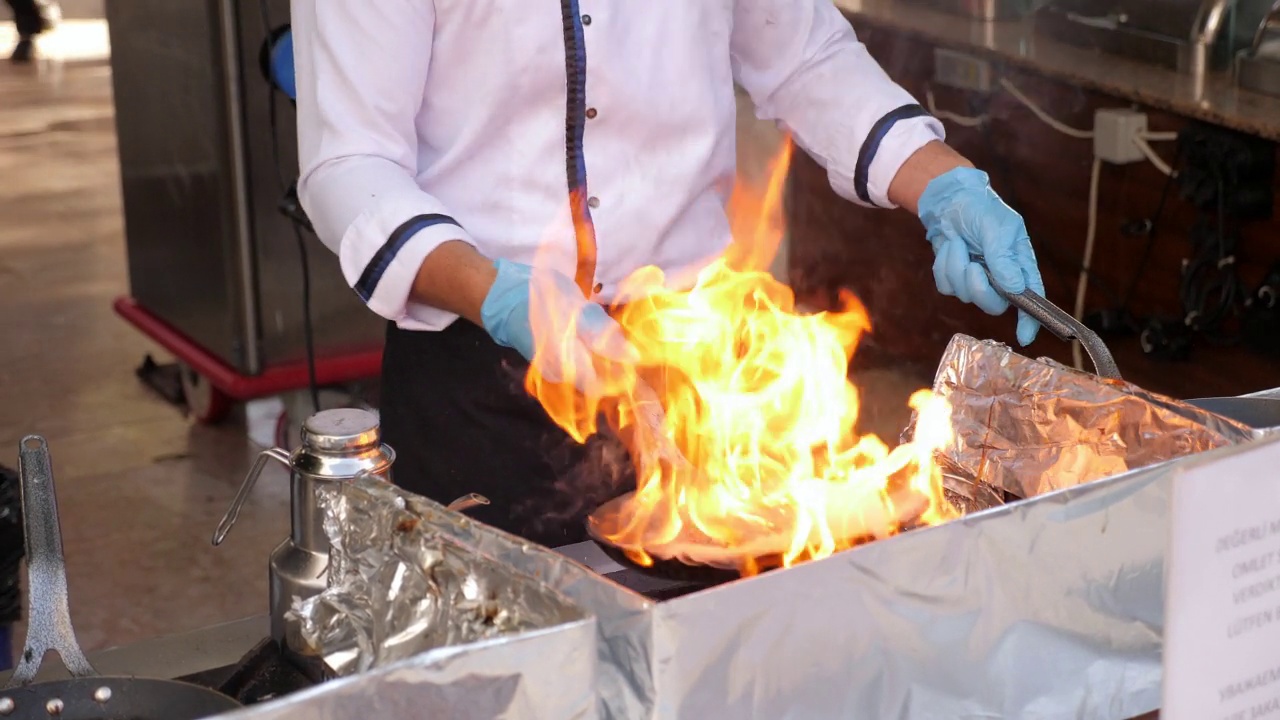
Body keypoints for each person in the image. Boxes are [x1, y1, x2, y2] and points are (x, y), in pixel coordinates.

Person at [290, 0, 1046, 549]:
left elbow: (803, 55)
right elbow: (350, 165)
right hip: (479, 375)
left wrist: (946, 184)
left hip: (693, 375)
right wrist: (502, 294)